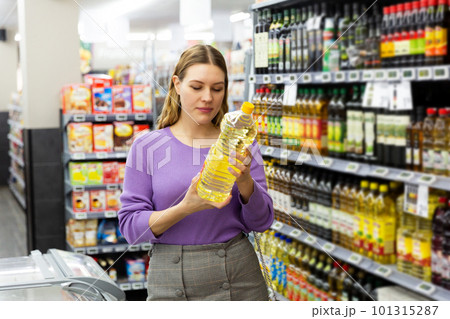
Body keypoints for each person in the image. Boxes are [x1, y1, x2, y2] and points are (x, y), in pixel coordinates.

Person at [118, 44, 274, 301]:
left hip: (239, 276)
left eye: (217, 88)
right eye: (197, 86)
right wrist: (186, 207)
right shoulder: (147, 146)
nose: (208, 98)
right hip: (169, 277)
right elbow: (131, 230)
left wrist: (245, 180)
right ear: (177, 85)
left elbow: (262, 222)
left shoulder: (242, 144)